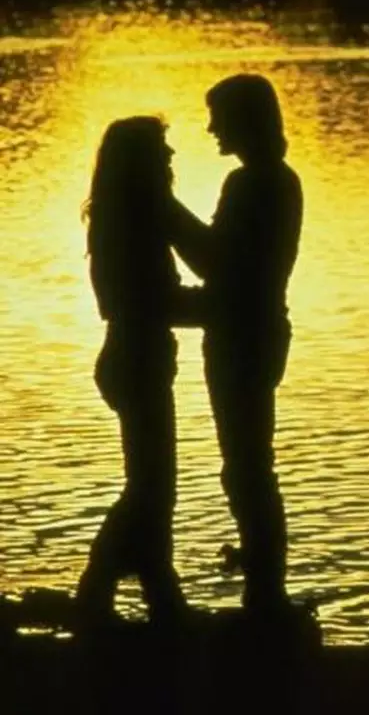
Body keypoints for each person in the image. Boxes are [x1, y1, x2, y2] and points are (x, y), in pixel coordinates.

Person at [168, 74, 303, 618]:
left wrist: (164, 209)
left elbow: (214, 263)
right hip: (261, 331)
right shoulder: (277, 180)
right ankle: (265, 588)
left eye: (219, 118)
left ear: (246, 120)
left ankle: (266, 594)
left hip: (243, 339)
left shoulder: (252, 184)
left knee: (247, 468)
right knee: (250, 465)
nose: (212, 129)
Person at [76, 116, 204, 628]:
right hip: (136, 361)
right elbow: (149, 301)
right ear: (140, 161)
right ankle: (98, 589)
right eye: (161, 149)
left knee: (153, 485)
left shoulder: (121, 215)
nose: (170, 156)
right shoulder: (136, 219)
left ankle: (159, 592)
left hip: (135, 359)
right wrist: (220, 307)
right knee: (151, 489)